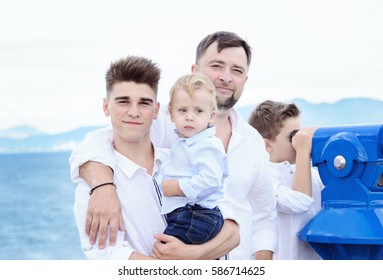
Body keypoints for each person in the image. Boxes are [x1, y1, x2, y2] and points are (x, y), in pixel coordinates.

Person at [70, 31, 278, 260]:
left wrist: (195, 255)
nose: (226, 77)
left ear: (245, 79)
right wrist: (102, 186)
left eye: (237, 70)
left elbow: (261, 216)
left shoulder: (252, 141)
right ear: (195, 72)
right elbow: (102, 140)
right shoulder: (167, 124)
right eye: (217, 66)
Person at [157, 73, 228, 245]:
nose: (190, 116)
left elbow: (211, 180)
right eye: (183, 110)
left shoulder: (206, 145)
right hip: (191, 214)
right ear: (172, 114)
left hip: (197, 215)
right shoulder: (187, 143)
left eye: (198, 111)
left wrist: (177, 187)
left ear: (211, 116)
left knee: (163, 253)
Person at [248, 100, 324, 260]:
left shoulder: (312, 174)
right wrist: (303, 151)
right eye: (293, 137)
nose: (300, 142)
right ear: (267, 145)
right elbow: (300, 202)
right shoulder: (262, 178)